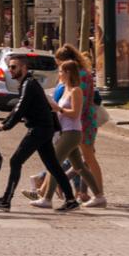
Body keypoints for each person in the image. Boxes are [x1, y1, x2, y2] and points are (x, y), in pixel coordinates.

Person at [0, 53, 80, 212]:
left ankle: (6, 200)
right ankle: (71, 200)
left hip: (39, 130)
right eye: (9, 67)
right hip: (44, 129)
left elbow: (20, 108)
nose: (10, 70)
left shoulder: (28, 84)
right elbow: (18, 108)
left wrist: (6, 126)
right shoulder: (26, 84)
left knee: (16, 161)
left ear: (24, 68)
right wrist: (5, 122)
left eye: (14, 67)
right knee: (53, 166)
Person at [31, 60, 103, 209]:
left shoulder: (76, 90)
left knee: (54, 163)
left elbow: (75, 113)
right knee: (80, 167)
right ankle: (99, 197)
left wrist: (59, 109)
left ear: (68, 73)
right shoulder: (64, 89)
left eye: (61, 71)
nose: (59, 74)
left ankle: (47, 199)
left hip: (72, 133)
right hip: (66, 132)